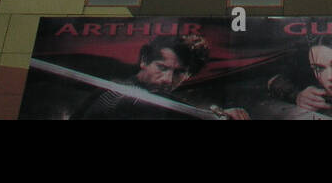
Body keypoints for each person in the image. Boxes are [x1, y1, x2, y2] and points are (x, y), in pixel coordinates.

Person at [76, 34, 247, 119]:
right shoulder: (117, 94)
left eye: (179, 73)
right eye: (161, 67)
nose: (167, 79)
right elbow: (140, 105)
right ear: (144, 61)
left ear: (188, 75)